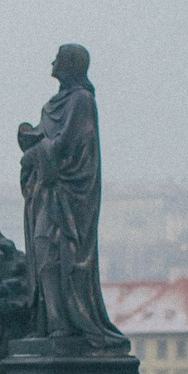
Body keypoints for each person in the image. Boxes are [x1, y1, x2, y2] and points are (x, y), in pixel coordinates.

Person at [18, 44, 128, 348]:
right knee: (43, 252)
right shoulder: (57, 103)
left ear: (69, 64)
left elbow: (68, 144)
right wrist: (30, 138)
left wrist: (36, 149)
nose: (52, 62)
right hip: (49, 192)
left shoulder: (81, 101)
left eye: (58, 58)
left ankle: (65, 325)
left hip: (69, 194)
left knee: (58, 254)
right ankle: (53, 323)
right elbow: (49, 138)